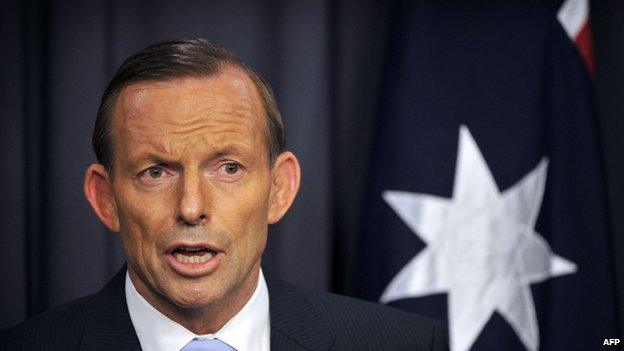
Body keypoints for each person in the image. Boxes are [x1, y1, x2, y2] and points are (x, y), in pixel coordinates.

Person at [0, 39, 447, 350]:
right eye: (155, 171)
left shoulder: (407, 345)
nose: (191, 207)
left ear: (280, 188)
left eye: (228, 168)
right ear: (106, 198)